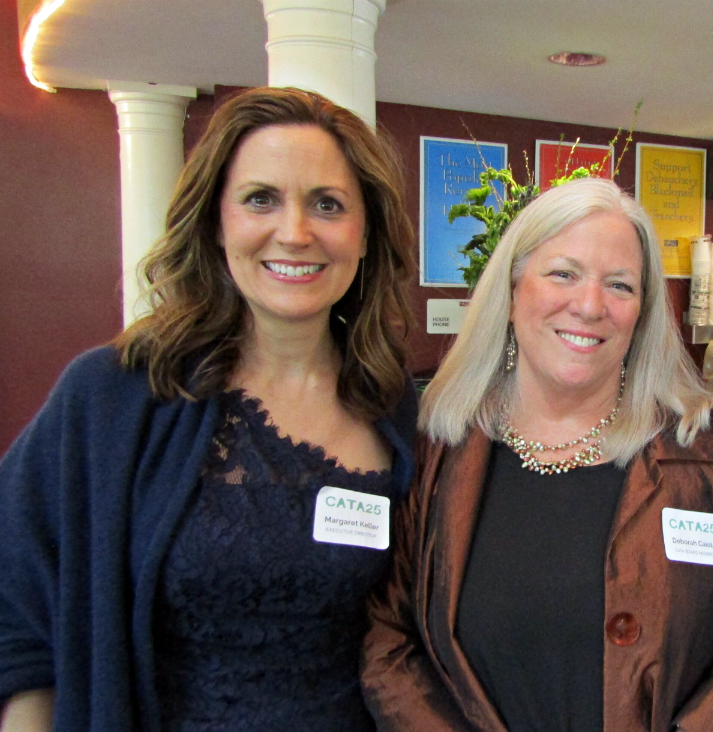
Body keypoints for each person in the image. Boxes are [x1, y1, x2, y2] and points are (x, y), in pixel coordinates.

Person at [0, 87, 418, 731]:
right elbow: (15, 606)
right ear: (216, 222)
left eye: (327, 205)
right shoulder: (113, 399)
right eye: (261, 199)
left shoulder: (403, 419)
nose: (295, 232)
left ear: (366, 236)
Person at [361, 177, 713, 732]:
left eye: (619, 285)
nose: (590, 306)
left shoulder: (704, 455)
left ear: (643, 312)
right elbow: (389, 637)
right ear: (512, 292)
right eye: (563, 274)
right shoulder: (440, 452)